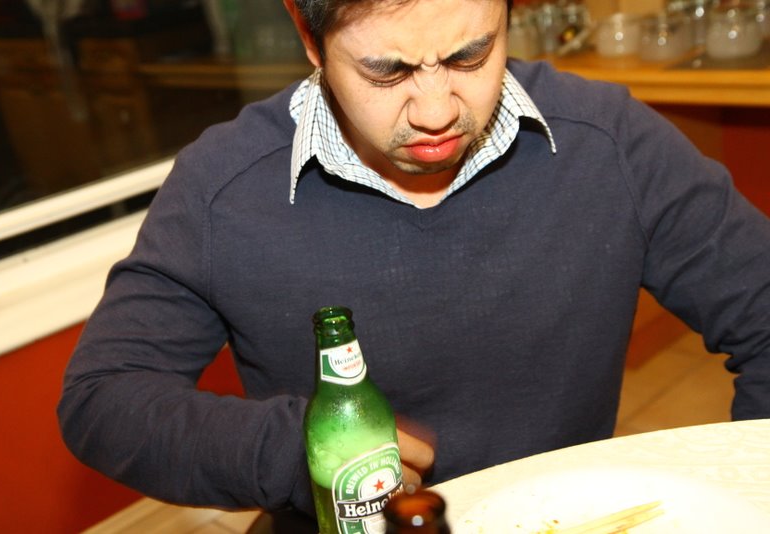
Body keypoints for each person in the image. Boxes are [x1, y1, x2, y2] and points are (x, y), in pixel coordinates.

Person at [58, 0, 770, 521]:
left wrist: (745, 488)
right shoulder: (222, 187)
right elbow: (103, 400)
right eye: (385, 70)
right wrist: (301, 454)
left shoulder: (610, 143)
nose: (436, 111)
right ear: (308, 35)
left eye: (470, 56)